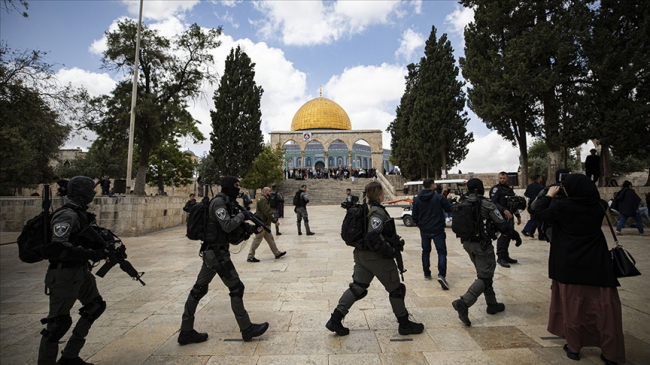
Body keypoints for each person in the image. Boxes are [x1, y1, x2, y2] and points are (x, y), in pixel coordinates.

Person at [534, 174, 625, 364]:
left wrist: (549, 195)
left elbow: (539, 213)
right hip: (597, 263)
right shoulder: (600, 205)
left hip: (569, 263)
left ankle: (574, 348)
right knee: (603, 310)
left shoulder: (562, 206)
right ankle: (610, 353)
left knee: (573, 308)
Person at [326, 181, 424, 336]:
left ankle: (335, 320)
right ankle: (404, 324)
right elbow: (373, 236)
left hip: (361, 255)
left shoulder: (365, 208)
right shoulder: (377, 212)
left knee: (357, 288)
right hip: (376, 258)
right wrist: (390, 251)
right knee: (396, 289)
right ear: (379, 194)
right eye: (382, 192)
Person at [179, 176, 269, 345]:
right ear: (228, 186)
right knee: (236, 287)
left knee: (198, 290)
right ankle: (246, 328)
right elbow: (227, 225)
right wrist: (243, 216)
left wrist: (250, 228)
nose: (238, 188)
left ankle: (186, 331)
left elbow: (229, 228)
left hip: (214, 253)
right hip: (216, 255)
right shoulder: (218, 203)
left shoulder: (228, 202)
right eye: (236, 185)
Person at [38, 176, 108, 365]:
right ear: (82, 192)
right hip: (64, 275)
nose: (94, 193)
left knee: (95, 306)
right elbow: (59, 247)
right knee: (57, 324)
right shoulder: (66, 215)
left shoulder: (81, 213)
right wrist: (92, 254)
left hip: (80, 271)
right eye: (91, 190)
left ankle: (70, 356)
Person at [451, 178, 522, 327]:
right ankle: (464, 302)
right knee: (485, 276)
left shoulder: (462, 201)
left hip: (467, 244)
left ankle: (492, 304)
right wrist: (515, 235)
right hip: (482, 246)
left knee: (484, 274)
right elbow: (501, 224)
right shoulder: (485, 203)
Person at [412, 179, 452, 289]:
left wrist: (420, 224)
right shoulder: (438, 198)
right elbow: (448, 209)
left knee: (425, 251)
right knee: (441, 252)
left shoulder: (417, 199)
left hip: (424, 229)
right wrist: (448, 200)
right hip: (437, 229)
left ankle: (427, 273)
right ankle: (441, 275)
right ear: (432, 185)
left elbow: (414, 215)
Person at [489, 172, 522, 267]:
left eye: (503, 178)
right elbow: (493, 202)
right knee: (503, 236)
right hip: (500, 217)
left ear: (507, 178)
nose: (502, 180)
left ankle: (506, 256)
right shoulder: (496, 189)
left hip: (510, 216)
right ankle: (500, 257)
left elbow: (513, 203)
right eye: (500, 178)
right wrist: (503, 210)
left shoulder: (509, 190)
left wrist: (518, 216)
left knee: (508, 236)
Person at [247, 187, 287, 262]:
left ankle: (277, 253)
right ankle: (250, 256)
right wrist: (275, 221)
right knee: (257, 239)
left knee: (270, 239)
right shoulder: (263, 199)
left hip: (265, 223)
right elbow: (267, 212)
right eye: (269, 191)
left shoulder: (264, 199)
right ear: (265, 191)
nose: (270, 192)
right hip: (263, 223)